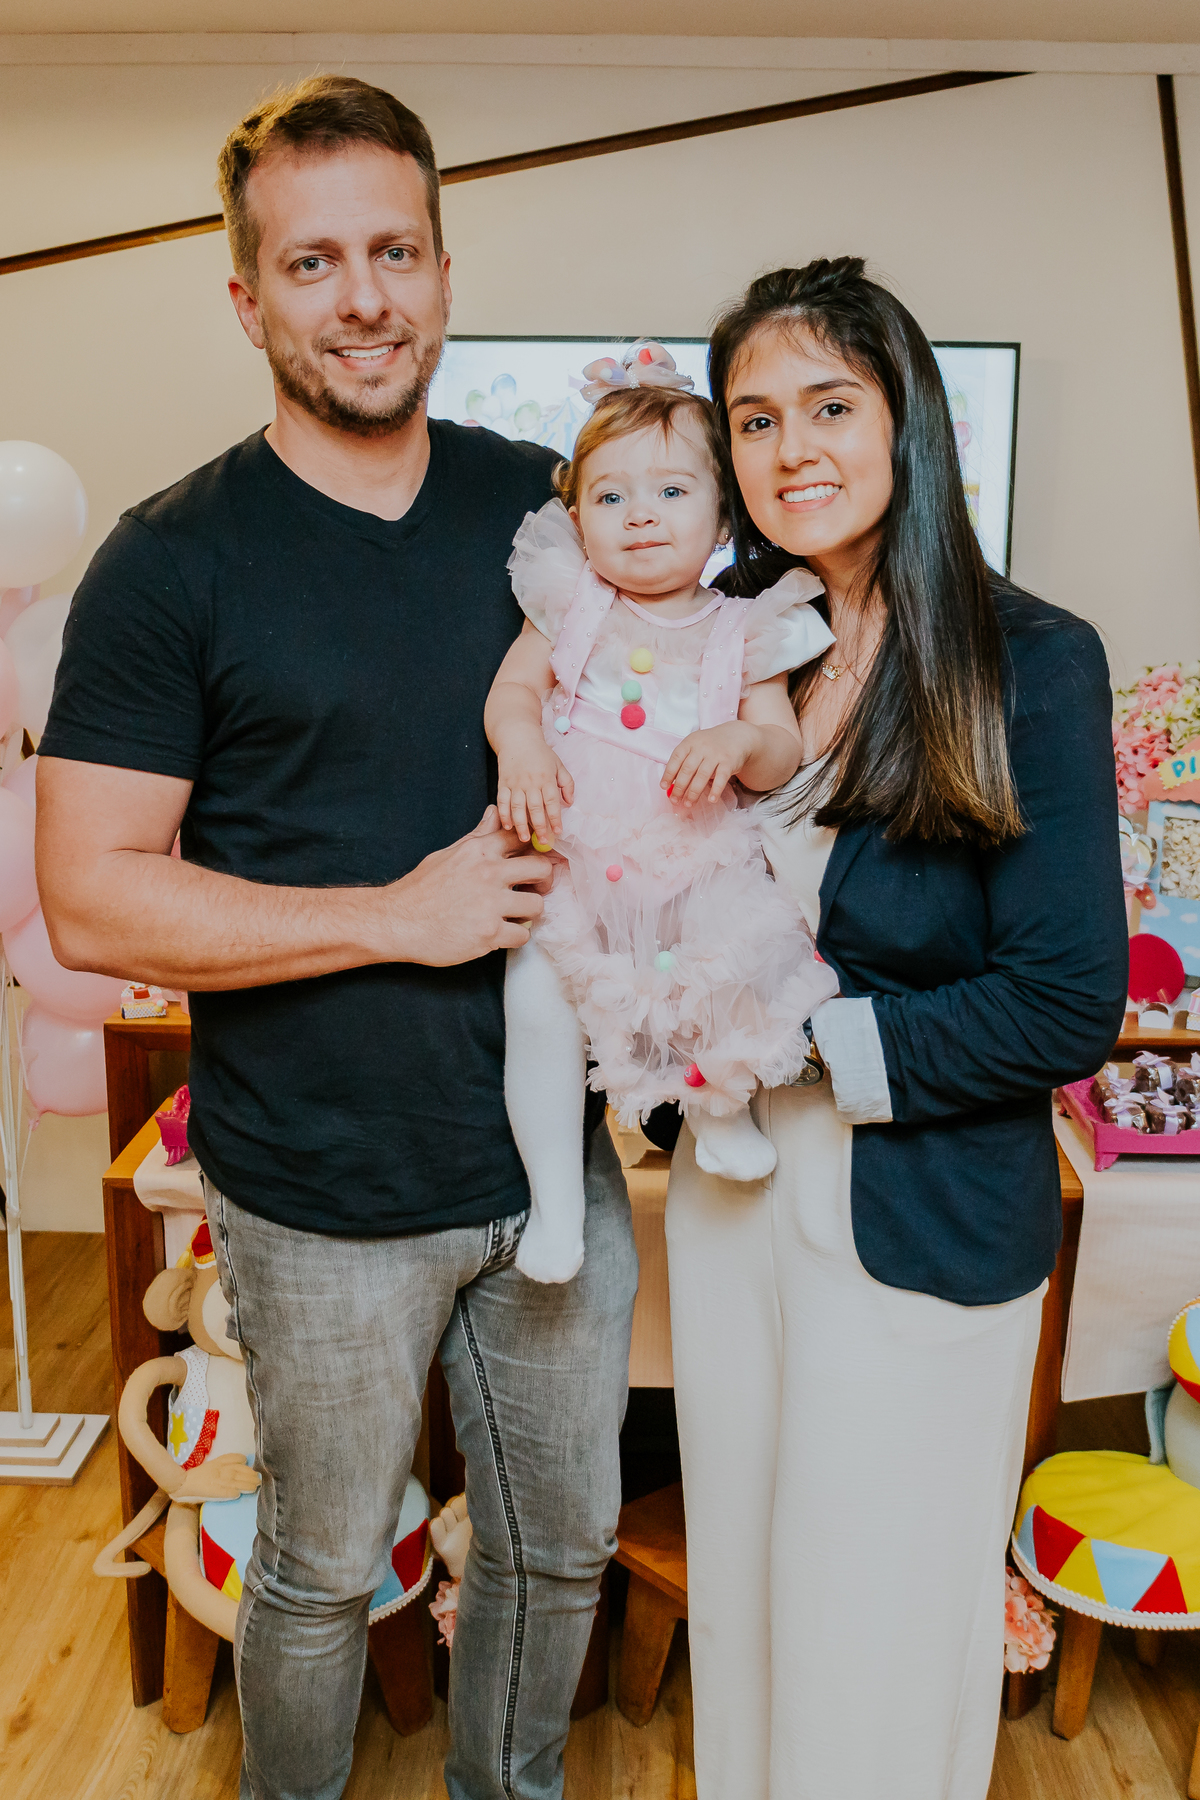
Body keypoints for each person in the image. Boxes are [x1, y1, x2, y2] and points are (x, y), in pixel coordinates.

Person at [35, 74, 637, 1800]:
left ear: (444, 271)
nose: (363, 296)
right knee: (320, 1567)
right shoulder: (170, 564)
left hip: (549, 1170)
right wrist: (399, 915)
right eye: (313, 264)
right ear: (248, 298)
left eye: (395, 250)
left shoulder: (549, 512)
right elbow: (90, 893)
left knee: (556, 1553)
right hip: (313, 1197)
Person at [663, 257, 1128, 1799]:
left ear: (906, 416)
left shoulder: (1025, 658)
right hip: (729, 1210)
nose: (789, 447)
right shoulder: (720, 637)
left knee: (874, 1629)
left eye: (828, 405)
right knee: (743, 1601)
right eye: (752, 419)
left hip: (921, 1218)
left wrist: (798, 1047)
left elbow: (1067, 1002)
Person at [486, 346, 838, 1283]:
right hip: (573, 858)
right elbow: (514, 693)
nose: (641, 514)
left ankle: (721, 1117)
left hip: (690, 860)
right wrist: (521, 745)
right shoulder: (570, 606)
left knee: (722, 984)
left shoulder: (744, 628)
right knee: (539, 1011)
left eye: (674, 492)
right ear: (578, 521)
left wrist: (734, 743)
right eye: (611, 497)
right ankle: (554, 1203)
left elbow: (781, 746)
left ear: (723, 515)